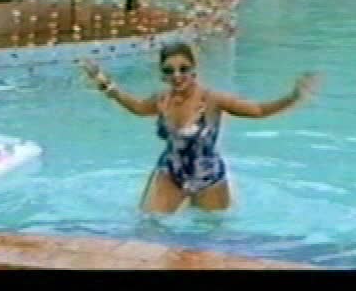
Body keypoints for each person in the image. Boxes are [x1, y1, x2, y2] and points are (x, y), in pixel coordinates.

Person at [81, 41, 323, 214]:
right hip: (170, 173)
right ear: (162, 74)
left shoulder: (212, 100)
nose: (177, 75)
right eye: (169, 71)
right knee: (149, 226)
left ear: (194, 69)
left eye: (184, 69)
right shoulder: (162, 99)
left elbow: (257, 110)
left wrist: (293, 97)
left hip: (208, 177)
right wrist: (106, 84)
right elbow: (138, 107)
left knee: (211, 237)